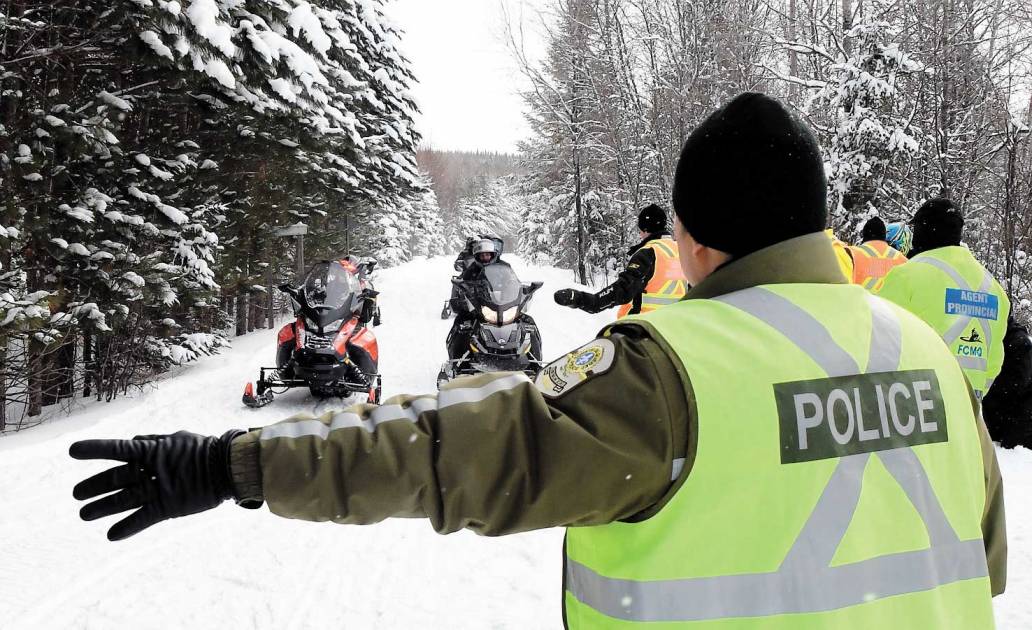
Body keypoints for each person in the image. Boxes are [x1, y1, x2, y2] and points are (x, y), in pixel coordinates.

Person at [70, 93, 1006, 627]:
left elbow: (445, 449)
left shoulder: (666, 375)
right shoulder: (928, 358)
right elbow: (983, 569)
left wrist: (233, 463)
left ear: (694, 239)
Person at [877, 198, 1011, 400]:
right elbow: (993, 363)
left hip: (918, 407)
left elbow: (878, 344)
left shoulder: (906, 276)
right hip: (968, 410)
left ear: (922, 231)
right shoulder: (995, 290)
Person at [553, 204, 689, 318]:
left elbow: (623, 290)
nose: (640, 234)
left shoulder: (649, 253)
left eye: (640, 229)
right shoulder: (681, 251)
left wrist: (582, 300)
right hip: (673, 329)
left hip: (644, 330)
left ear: (645, 228)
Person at [980, 316, 1032, 449]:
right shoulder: (1011, 337)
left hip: (1015, 427)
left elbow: (1011, 388)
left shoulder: (1017, 344)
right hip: (1009, 420)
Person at [847, 216, 908, 291]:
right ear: (884, 235)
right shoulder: (902, 260)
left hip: (859, 301)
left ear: (864, 234)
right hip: (890, 302)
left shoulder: (850, 254)